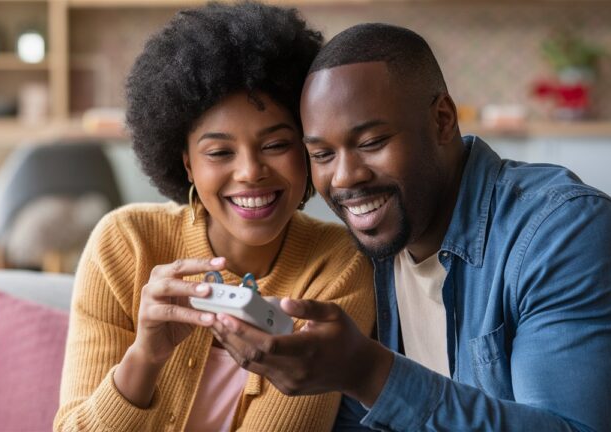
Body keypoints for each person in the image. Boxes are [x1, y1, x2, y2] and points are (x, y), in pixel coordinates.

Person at [211, 23, 611, 431]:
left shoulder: (561, 232)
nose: (346, 177)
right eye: (322, 154)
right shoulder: (370, 251)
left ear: (442, 120)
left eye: (371, 143)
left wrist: (369, 374)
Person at [54, 4, 375, 431]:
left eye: (276, 144)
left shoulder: (338, 267)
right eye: (220, 152)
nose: (250, 172)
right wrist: (146, 356)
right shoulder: (124, 244)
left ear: (307, 148)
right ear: (186, 163)